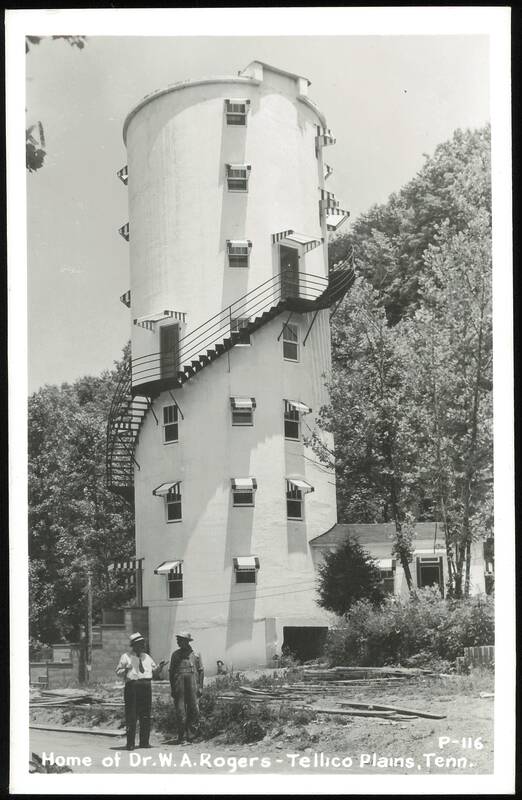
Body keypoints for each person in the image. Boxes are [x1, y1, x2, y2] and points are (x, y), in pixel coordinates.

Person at [115, 632, 166, 750]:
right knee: (132, 715)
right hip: (133, 686)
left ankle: (144, 742)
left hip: (146, 686)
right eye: (138, 644)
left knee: (145, 715)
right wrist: (126, 668)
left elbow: (154, 672)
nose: (141, 646)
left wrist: (160, 667)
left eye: (142, 644)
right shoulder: (126, 656)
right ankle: (131, 743)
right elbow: (118, 672)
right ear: (133, 645)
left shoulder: (146, 657)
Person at [169, 632, 204, 744]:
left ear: (187, 641)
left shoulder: (196, 654)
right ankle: (182, 736)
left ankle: (192, 735)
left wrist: (201, 687)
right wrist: (173, 688)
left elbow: (201, 671)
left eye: (181, 640)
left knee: (194, 709)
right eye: (178, 640)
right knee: (181, 711)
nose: (179, 643)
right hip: (179, 686)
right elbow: (171, 672)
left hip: (193, 685)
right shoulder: (175, 655)